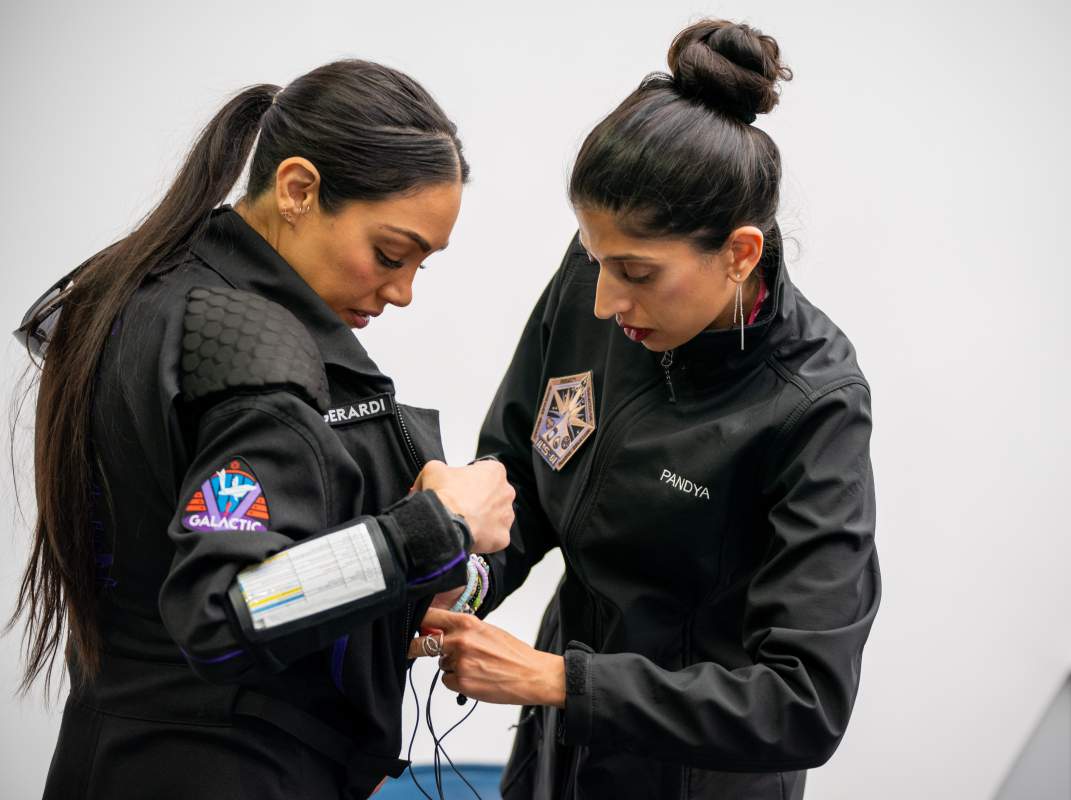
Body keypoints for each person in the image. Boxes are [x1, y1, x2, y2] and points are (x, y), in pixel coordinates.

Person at [10, 59, 515, 800]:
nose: (402, 292)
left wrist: (393, 587)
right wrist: (428, 531)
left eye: (419, 267)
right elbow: (224, 610)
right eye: (390, 253)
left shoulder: (143, 293)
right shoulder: (250, 347)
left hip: (108, 753)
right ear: (298, 189)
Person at [409, 20, 881, 799]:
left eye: (634, 271)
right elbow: (521, 468)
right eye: (594, 259)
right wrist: (462, 579)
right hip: (559, 754)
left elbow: (803, 703)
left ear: (739, 255)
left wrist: (561, 680)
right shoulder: (603, 278)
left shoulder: (814, 406)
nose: (603, 299)